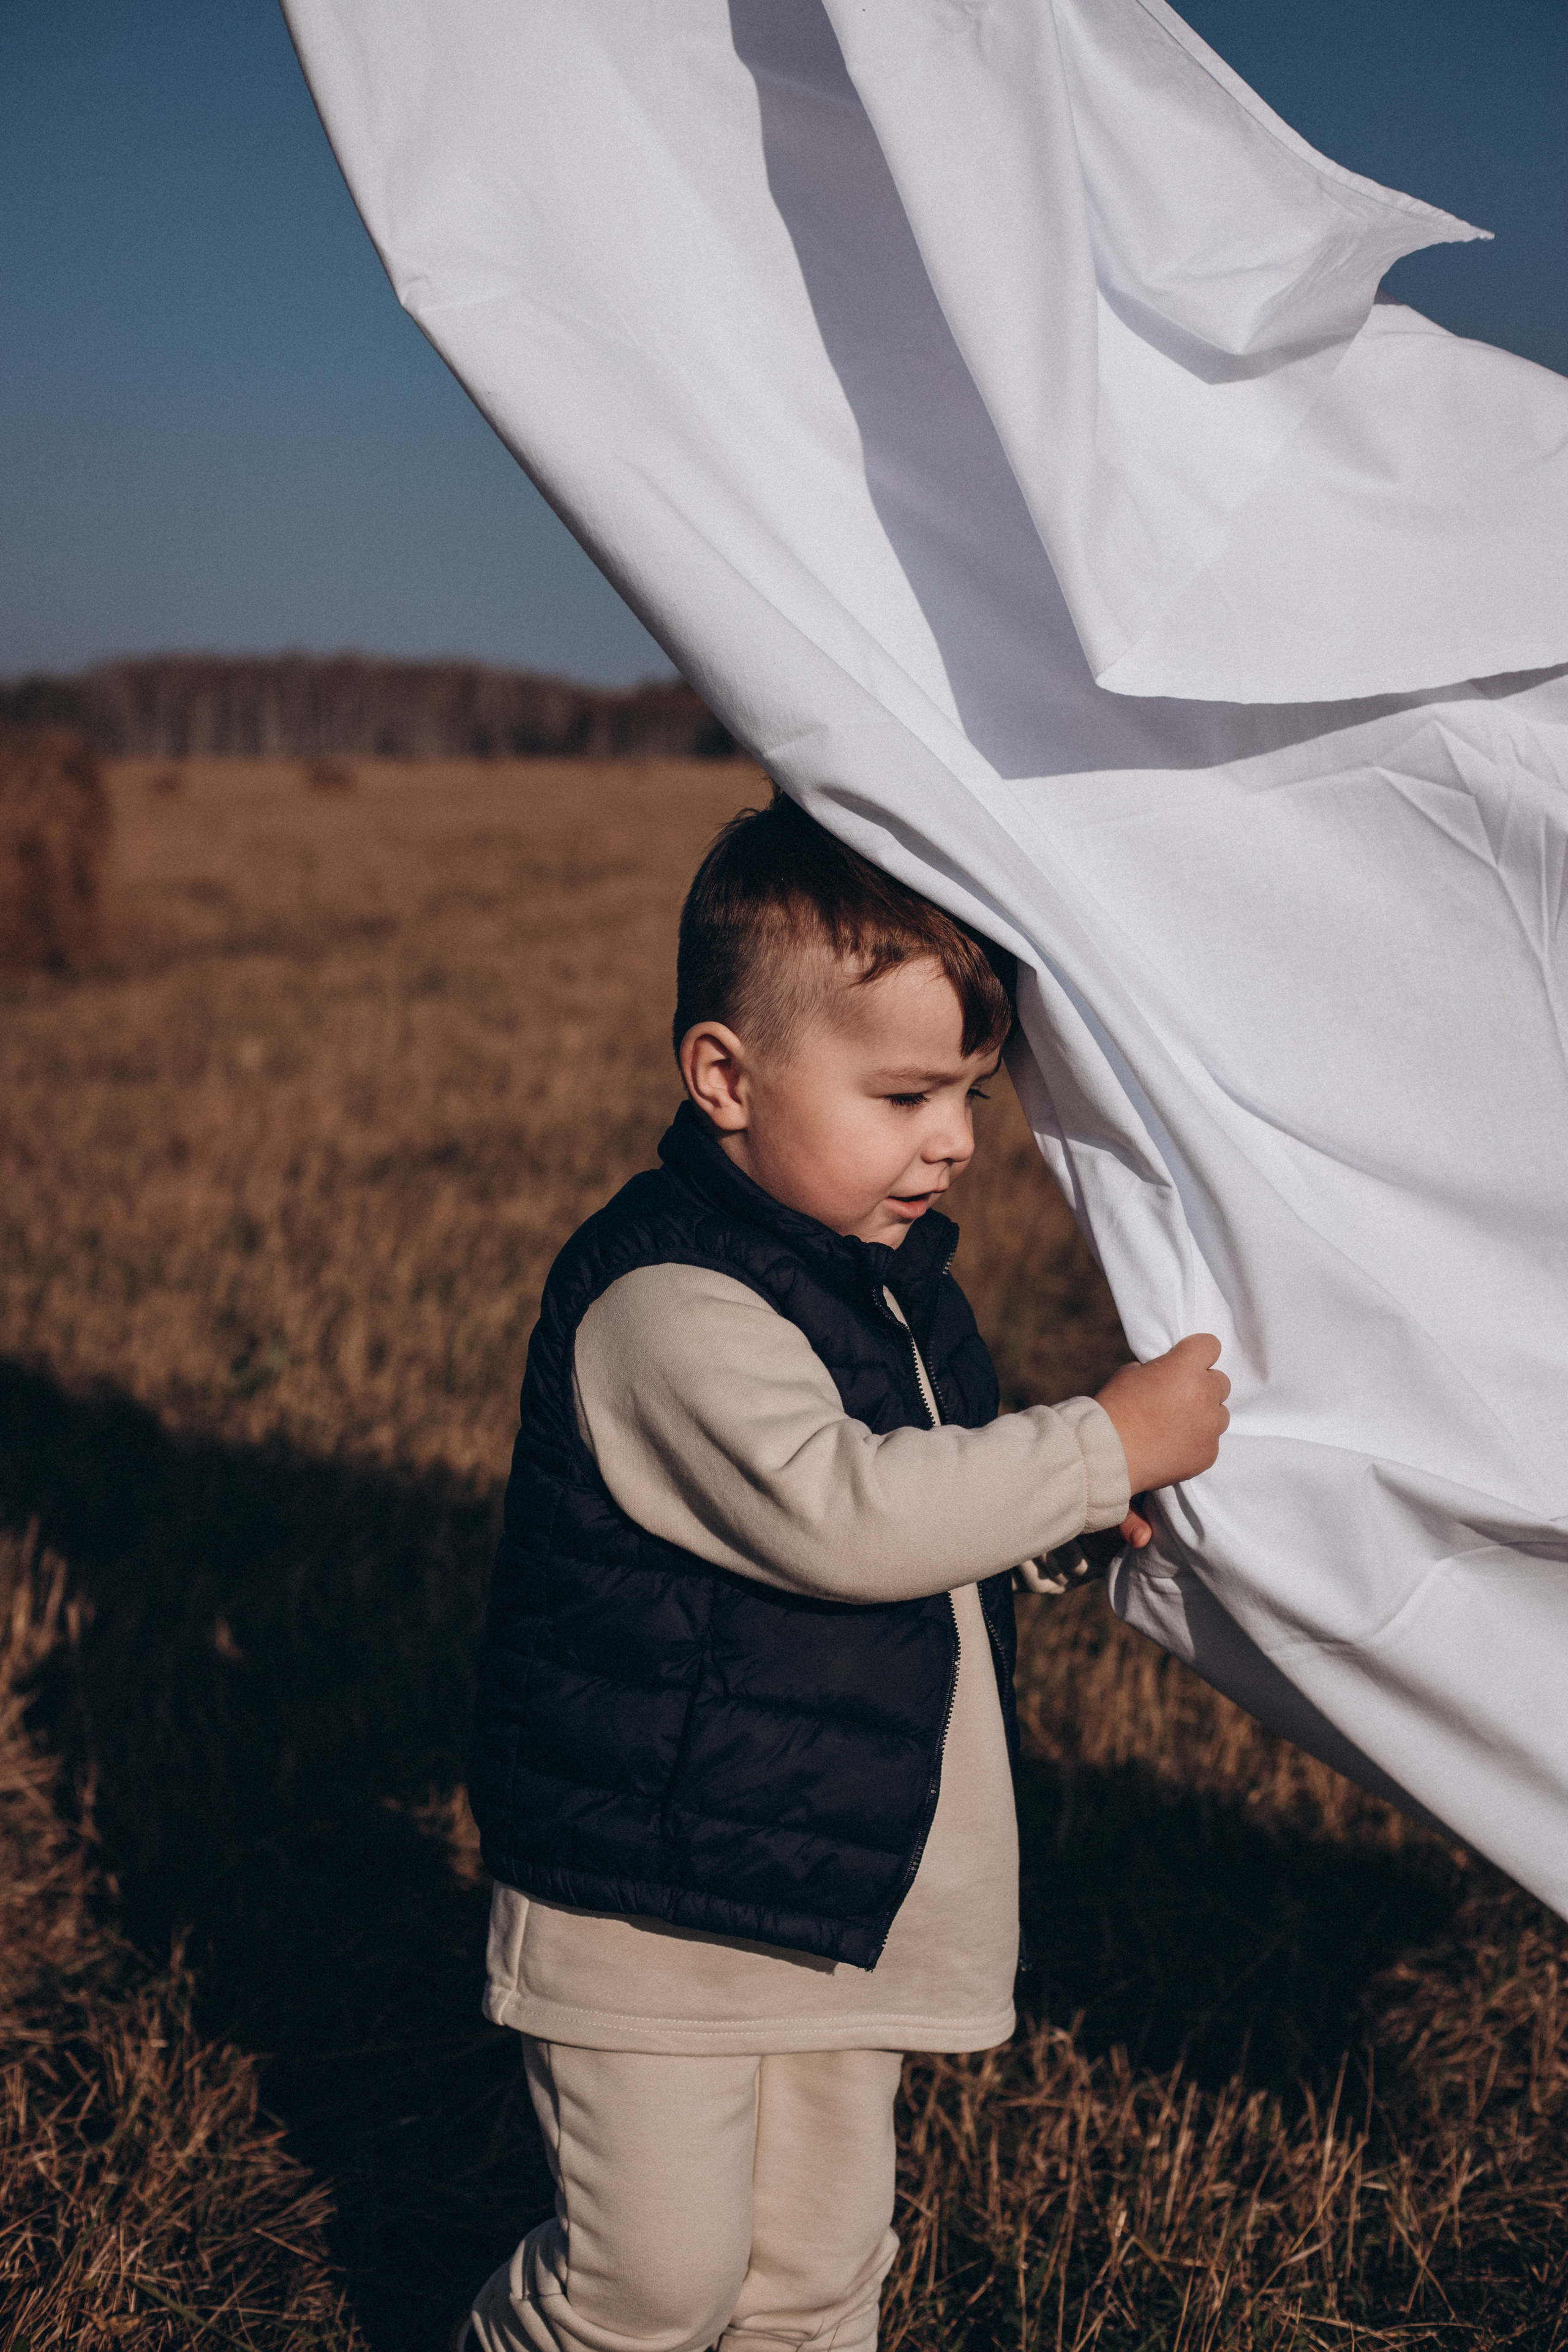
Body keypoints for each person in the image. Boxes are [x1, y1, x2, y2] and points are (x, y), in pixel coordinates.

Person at [458, 788, 1229, 2352]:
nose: (952, 1139)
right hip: (657, 1919)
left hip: (831, 1892)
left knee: (813, 2282)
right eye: (902, 1095)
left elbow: (912, 1541)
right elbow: (843, 1516)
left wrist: (1049, 1528)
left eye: (968, 1094)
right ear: (723, 1077)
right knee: (643, 2289)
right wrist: (1095, 1445)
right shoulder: (663, 1304)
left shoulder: (884, 1296)